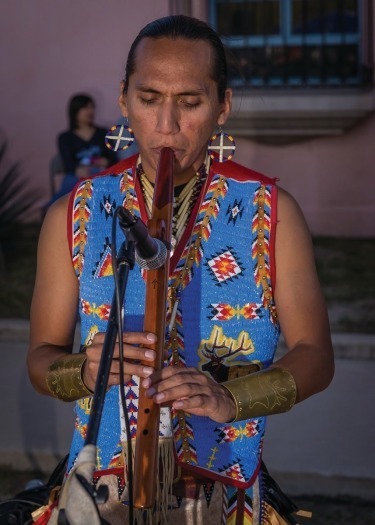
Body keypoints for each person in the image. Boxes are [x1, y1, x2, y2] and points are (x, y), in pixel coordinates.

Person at [27, 15, 334, 525]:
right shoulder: (74, 212)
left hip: (224, 498)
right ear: (124, 99)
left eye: (190, 103)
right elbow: (40, 357)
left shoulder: (272, 211)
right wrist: (83, 369)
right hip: (101, 498)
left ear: (222, 107)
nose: (166, 126)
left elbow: (317, 357)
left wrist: (230, 397)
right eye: (149, 99)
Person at [55, 93, 117, 198]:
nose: (90, 111)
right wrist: (77, 170)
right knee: (69, 185)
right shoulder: (65, 138)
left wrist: (105, 161)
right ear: (75, 111)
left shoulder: (103, 133)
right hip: (76, 177)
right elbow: (68, 164)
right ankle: (54, 208)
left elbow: (114, 159)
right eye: (85, 108)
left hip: (101, 173)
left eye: (92, 107)